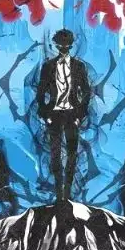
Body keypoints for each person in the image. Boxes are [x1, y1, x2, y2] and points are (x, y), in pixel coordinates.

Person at [36, 29, 91, 202]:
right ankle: (58, 192)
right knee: (55, 154)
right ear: (56, 45)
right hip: (54, 115)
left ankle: (67, 192)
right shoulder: (48, 66)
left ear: (71, 46)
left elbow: (86, 91)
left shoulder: (79, 66)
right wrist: (45, 113)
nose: (64, 48)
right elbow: (40, 92)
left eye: (67, 45)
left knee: (72, 153)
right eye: (61, 45)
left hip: (72, 115)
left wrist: (80, 114)